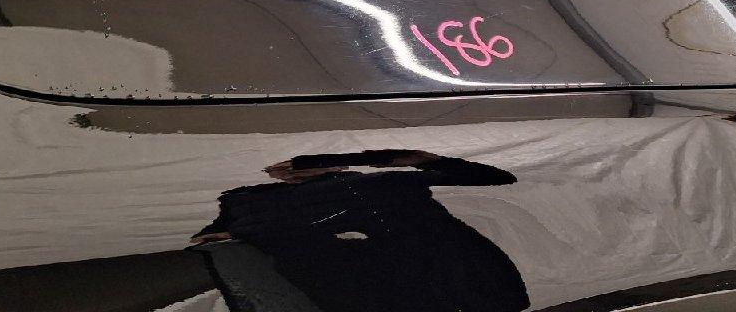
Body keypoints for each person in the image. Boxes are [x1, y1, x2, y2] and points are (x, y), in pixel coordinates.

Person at [192, 149, 529, 312]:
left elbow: (496, 177)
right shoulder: (257, 200)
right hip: (417, 266)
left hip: (440, 261)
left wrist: (405, 158)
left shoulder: (385, 183)